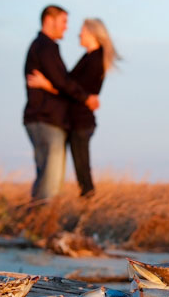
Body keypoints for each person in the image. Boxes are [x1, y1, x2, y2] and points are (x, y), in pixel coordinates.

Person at [27, 18, 119, 198]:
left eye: (82, 31)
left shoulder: (94, 59)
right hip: (78, 119)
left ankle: (88, 205)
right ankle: (85, 203)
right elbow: (72, 87)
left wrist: (46, 85)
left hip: (81, 121)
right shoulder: (89, 57)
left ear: (93, 33)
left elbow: (73, 90)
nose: (79, 34)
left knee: (82, 168)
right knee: (79, 167)